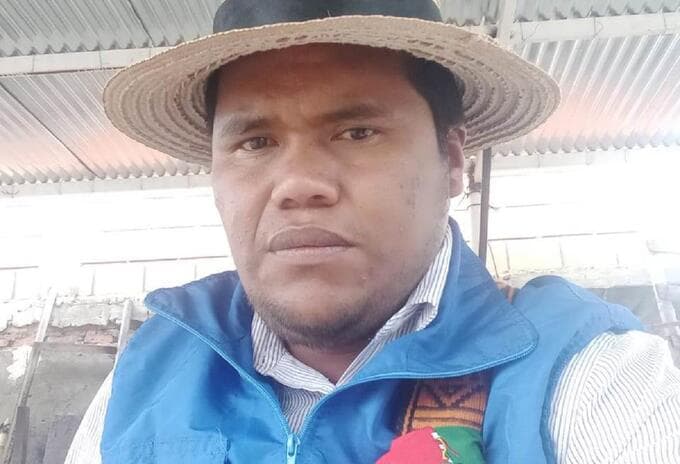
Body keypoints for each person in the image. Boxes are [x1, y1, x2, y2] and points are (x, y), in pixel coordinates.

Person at [66, 1, 680, 463]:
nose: (298, 184)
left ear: (452, 162)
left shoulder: (590, 376)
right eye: (255, 142)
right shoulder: (148, 371)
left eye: (357, 133)